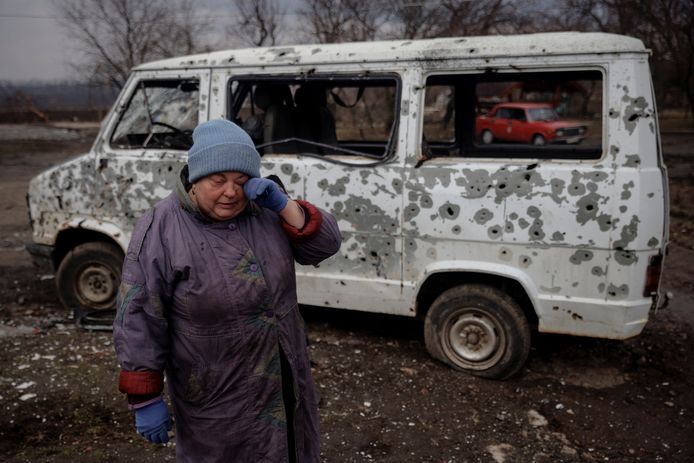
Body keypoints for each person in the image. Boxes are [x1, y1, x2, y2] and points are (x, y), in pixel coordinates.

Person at [113, 119, 342, 462]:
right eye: (218, 181)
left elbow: (324, 247)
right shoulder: (161, 226)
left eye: (241, 181)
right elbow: (140, 313)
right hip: (217, 395)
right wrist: (145, 397)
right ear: (195, 178)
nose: (231, 192)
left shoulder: (264, 210)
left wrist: (284, 206)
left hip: (283, 382)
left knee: (291, 451)